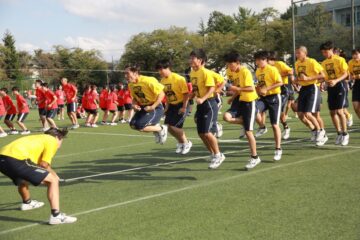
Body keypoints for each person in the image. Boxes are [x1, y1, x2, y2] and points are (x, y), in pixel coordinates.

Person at [0, 128, 77, 225]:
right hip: (16, 158)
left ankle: (27, 203)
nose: (60, 143)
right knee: (53, 181)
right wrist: (54, 176)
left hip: (2, 158)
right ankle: (56, 216)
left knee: (23, 179)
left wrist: (49, 174)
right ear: (58, 137)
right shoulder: (51, 140)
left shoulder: (39, 138)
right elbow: (44, 164)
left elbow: (39, 165)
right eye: (61, 140)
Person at [189, 49, 225, 169]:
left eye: (193, 58)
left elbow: (211, 89)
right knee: (200, 133)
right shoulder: (192, 73)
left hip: (209, 103)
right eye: (191, 58)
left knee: (207, 132)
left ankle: (218, 155)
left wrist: (203, 98)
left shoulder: (206, 73)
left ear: (200, 60)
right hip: (201, 104)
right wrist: (192, 95)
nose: (191, 60)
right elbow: (195, 88)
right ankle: (213, 153)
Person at [224, 51, 260, 169]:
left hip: (249, 101)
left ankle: (255, 157)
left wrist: (235, 88)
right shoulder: (230, 71)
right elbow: (237, 88)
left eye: (231, 64)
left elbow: (250, 88)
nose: (229, 67)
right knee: (226, 117)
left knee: (249, 132)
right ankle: (247, 122)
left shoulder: (245, 72)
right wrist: (232, 96)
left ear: (238, 63)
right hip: (239, 100)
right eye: (228, 64)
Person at [156, 59, 193, 154]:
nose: (159, 72)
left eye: (160, 69)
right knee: (168, 127)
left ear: (167, 68)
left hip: (181, 104)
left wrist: (184, 107)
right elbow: (167, 95)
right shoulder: (162, 80)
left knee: (174, 127)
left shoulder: (179, 78)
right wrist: (166, 108)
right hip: (171, 106)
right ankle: (181, 143)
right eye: (158, 70)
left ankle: (186, 142)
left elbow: (186, 94)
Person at [125, 64, 168, 144]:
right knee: (133, 125)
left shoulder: (148, 80)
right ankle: (156, 128)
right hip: (143, 107)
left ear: (135, 73)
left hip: (155, 107)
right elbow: (134, 97)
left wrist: (153, 106)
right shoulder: (131, 85)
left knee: (140, 126)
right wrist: (134, 105)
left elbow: (161, 94)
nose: (125, 76)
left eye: (127, 73)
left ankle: (161, 129)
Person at [294, 46, 328, 146]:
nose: (297, 55)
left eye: (298, 53)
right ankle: (314, 130)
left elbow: (323, 75)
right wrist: (296, 80)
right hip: (303, 89)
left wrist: (309, 78)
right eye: (296, 53)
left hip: (312, 88)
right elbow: (301, 77)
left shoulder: (312, 62)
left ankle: (321, 132)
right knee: (300, 114)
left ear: (305, 53)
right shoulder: (297, 64)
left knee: (309, 114)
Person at [254, 50, 283, 161]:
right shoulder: (257, 71)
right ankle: (262, 127)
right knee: (254, 111)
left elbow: (280, 82)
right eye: (256, 60)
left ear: (264, 60)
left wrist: (267, 88)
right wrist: (258, 90)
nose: (256, 62)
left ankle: (278, 148)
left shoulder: (272, 69)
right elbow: (259, 85)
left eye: (258, 60)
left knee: (275, 125)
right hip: (263, 98)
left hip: (274, 98)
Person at [320, 41, 349, 146]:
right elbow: (324, 76)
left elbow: (346, 73)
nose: (324, 54)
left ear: (331, 50)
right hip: (331, 88)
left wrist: (336, 81)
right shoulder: (323, 63)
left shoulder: (340, 59)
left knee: (340, 111)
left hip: (340, 86)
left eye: (325, 52)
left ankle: (345, 134)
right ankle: (339, 133)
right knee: (332, 112)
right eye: (322, 52)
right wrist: (323, 83)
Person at [267, 51, 294, 140]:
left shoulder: (280, 64)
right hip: (274, 89)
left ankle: (284, 128)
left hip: (283, 88)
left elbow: (291, 71)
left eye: (267, 60)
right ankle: (286, 127)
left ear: (271, 59)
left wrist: (281, 74)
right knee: (279, 112)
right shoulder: (267, 68)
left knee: (279, 110)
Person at [349, 48, 360, 119]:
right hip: (357, 84)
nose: (354, 56)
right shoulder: (350, 62)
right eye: (353, 54)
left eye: (356, 54)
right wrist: (351, 77)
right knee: (355, 106)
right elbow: (350, 74)